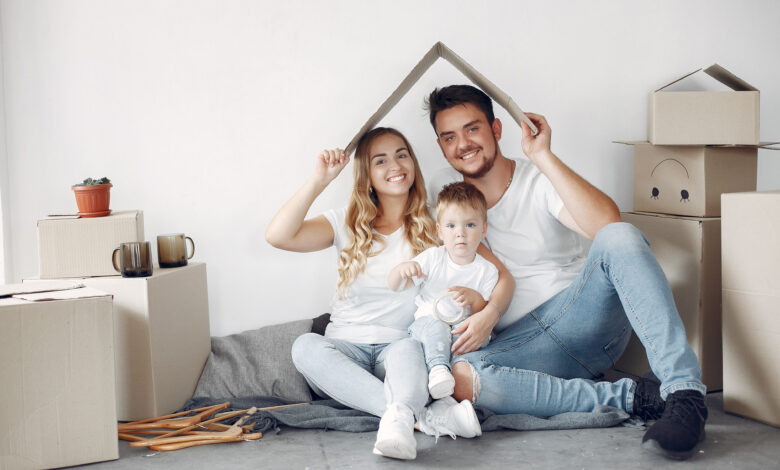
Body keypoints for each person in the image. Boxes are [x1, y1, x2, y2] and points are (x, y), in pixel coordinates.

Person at [423, 85, 708, 461]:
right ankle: (636, 398)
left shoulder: (536, 180)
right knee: (458, 377)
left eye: (472, 129)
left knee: (619, 237)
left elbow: (607, 223)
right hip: (520, 346)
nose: (463, 143)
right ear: (442, 146)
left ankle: (685, 392)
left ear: (496, 129)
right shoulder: (442, 190)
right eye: (449, 136)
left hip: (581, 323)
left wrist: (543, 156)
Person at [265, 127, 498, 460]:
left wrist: (488, 309)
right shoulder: (346, 221)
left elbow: (497, 274)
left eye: (402, 154)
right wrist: (320, 179)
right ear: (367, 174)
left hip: (399, 351)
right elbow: (278, 236)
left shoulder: (437, 223)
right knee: (305, 346)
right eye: (381, 160)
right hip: (346, 352)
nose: (395, 165)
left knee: (408, 348)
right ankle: (416, 416)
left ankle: (402, 417)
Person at [388, 181, 498, 401]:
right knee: (437, 328)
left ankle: (452, 375)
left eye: (470, 225)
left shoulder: (487, 270)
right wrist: (402, 270)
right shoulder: (433, 258)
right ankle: (438, 370)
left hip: (459, 330)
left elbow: (484, 313)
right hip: (428, 324)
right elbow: (394, 285)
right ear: (439, 231)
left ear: (483, 229)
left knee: (474, 336)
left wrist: (475, 300)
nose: (460, 234)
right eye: (451, 226)